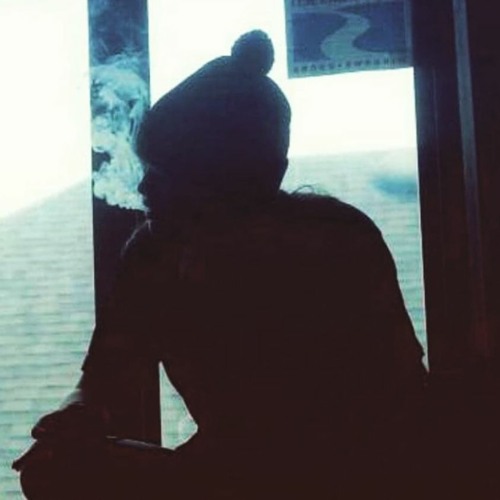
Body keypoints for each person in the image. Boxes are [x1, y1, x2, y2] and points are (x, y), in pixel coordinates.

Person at [15, 30, 426, 499]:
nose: (145, 189)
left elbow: (398, 405)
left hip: (345, 474)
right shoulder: (155, 252)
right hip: (223, 472)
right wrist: (75, 415)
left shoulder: (333, 243)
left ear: (237, 182)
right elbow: (100, 382)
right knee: (53, 468)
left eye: (167, 175)